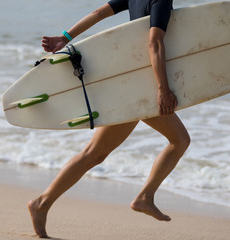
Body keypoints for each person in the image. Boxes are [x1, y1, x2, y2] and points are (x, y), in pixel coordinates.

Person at [28, 0, 190, 238]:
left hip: (125, 83)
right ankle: (145, 197)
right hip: (140, 88)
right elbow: (154, 42)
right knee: (179, 141)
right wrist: (162, 89)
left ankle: (42, 203)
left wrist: (66, 37)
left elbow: (98, 12)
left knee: (94, 153)